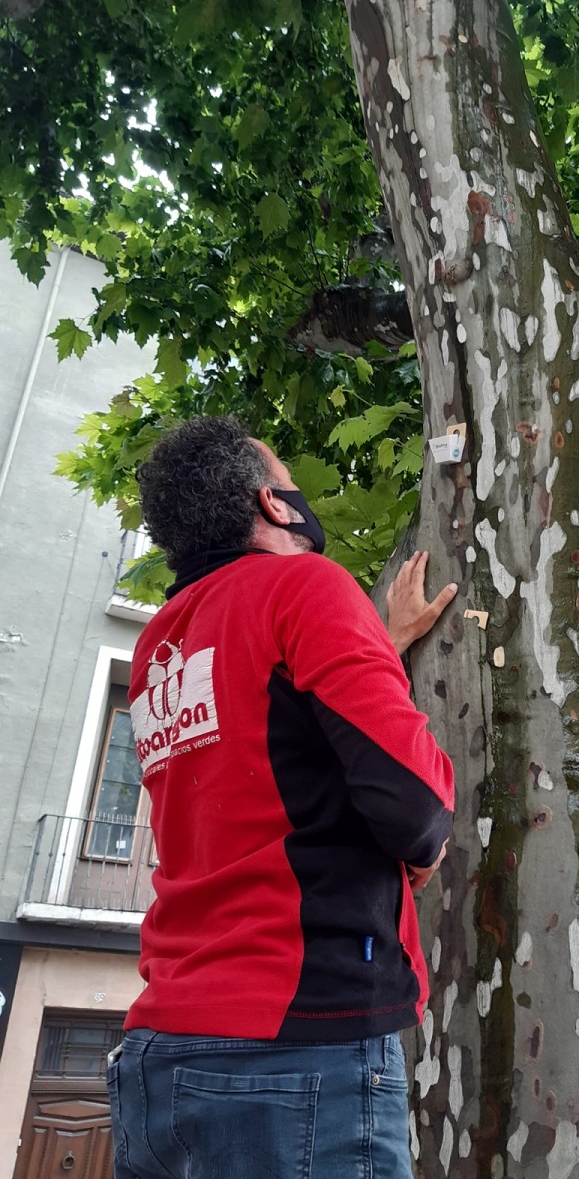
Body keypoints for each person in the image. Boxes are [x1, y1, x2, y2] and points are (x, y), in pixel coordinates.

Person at [107, 416, 457, 1179]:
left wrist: (374, 644)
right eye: (291, 482)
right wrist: (424, 848)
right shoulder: (305, 587)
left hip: (159, 1057)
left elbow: (265, 739)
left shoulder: (159, 644)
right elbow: (414, 801)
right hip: (298, 1051)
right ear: (272, 504)